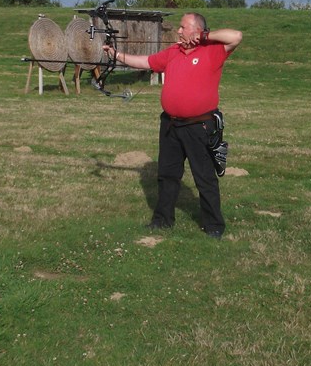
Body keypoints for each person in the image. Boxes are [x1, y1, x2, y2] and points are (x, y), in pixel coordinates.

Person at [104, 13, 242, 238]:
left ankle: (214, 226)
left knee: (204, 177)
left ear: (196, 30)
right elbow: (145, 62)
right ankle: (163, 220)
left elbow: (236, 36)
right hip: (170, 125)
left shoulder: (213, 50)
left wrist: (204, 37)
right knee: (167, 175)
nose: (178, 31)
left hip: (200, 126)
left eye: (182, 27)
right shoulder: (173, 53)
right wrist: (116, 54)